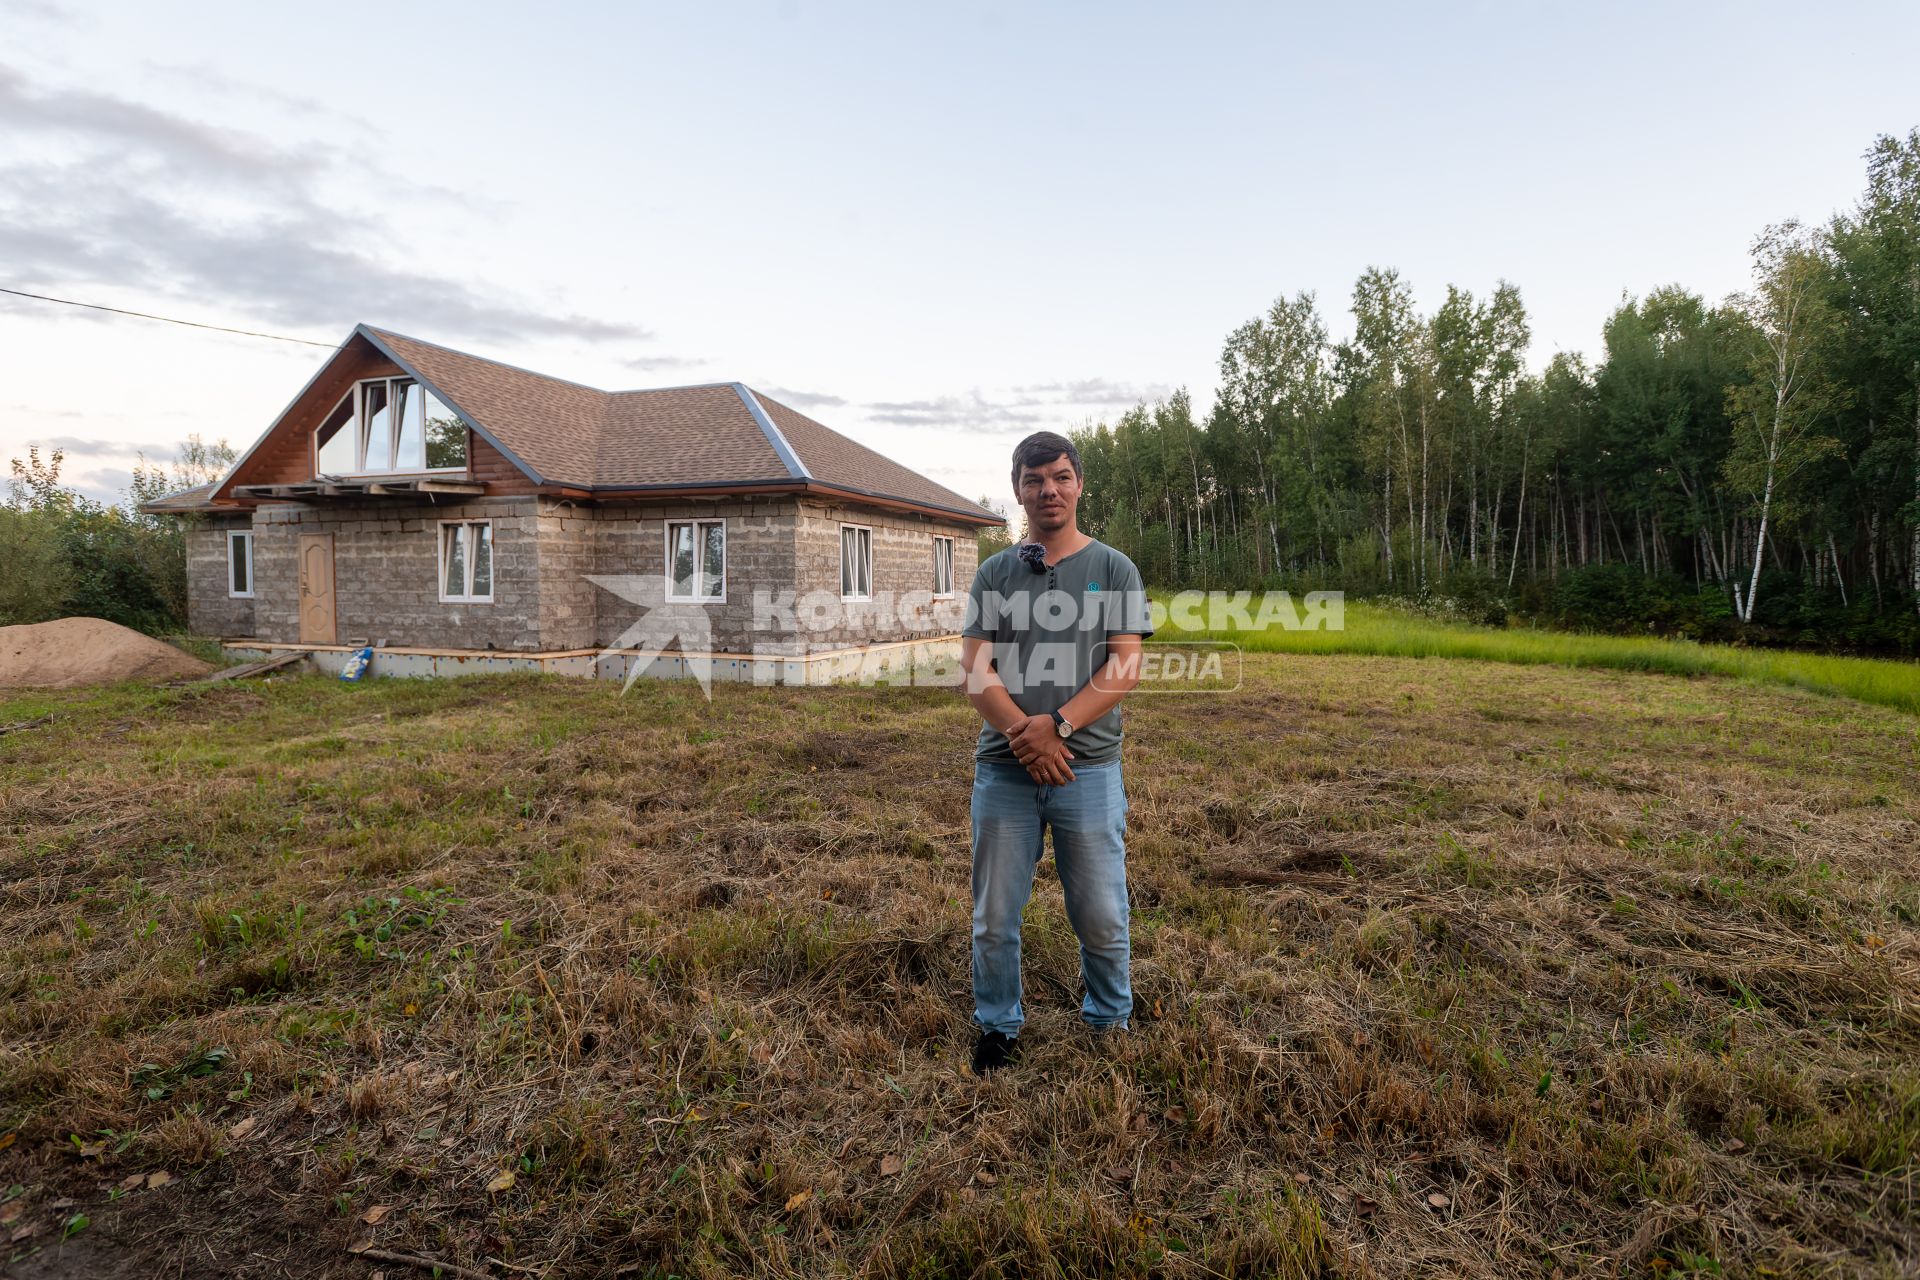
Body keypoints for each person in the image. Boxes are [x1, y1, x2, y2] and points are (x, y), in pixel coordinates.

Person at [959, 430, 1154, 1074]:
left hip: (1088, 768)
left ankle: (1108, 1018)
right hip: (1005, 772)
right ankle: (998, 1025)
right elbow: (974, 670)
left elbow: (1125, 666)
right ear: (1018, 489)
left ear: (1078, 485)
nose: (1049, 490)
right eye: (1035, 480)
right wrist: (1027, 734)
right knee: (994, 914)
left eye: (1061, 477)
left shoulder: (1113, 569)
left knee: (1101, 911)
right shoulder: (995, 572)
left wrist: (1059, 727)